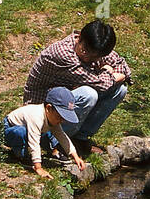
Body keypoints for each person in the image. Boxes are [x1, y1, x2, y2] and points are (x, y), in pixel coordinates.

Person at [23, 19, 132, 153]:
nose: (87, 58)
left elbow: (123, 66)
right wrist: (107, 70)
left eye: (94, 57)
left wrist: (113, 72)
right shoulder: (63, 54)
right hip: (42, 108)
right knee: (88, 94)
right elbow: (103, 84)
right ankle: (52, 140)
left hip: (64, 98)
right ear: (79, 36)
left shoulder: (94, 47)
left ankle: (79, 139)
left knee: (119, 90)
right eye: (85, 51)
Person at [3, 86, 84, 175]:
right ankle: (20, 155)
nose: (61, 121)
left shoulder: (52, 118)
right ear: (49, 108)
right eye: (59, 117)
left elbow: (62, 136)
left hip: (29, 130)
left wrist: (75, 156)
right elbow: (34, 141)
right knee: (20, 132)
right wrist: (38, 167)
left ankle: (53, 151)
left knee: (49, 132)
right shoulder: (36, 116)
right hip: (10, 129)